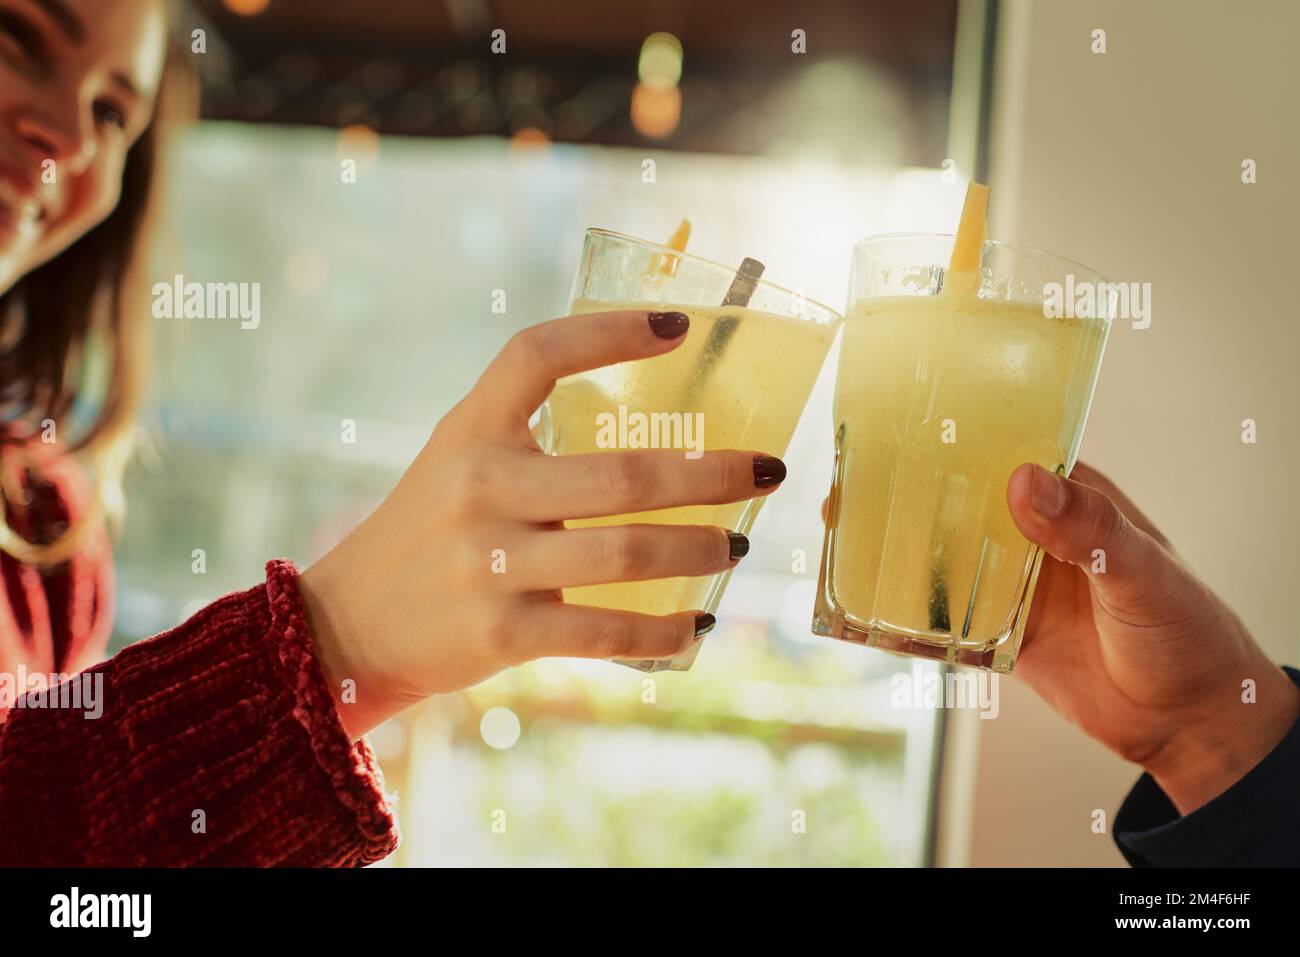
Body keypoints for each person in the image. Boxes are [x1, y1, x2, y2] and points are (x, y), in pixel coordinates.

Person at [0, 0, 1295, 868]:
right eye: (20, 35)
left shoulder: (48, 530)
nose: (70, 137)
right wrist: (327, 651)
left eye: (117, 111)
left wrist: (1214, 741)